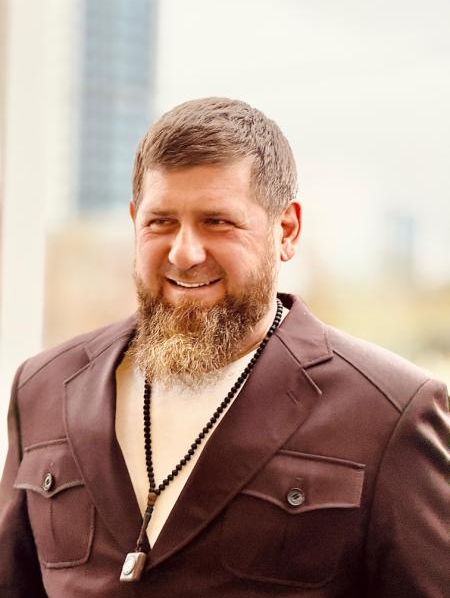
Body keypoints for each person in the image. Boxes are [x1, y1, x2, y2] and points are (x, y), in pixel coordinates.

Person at [0, 97, 448, 598]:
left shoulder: (393, 412)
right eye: (160, 221)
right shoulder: (41, 387)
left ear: (286, 230)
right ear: (134, 221)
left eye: (217, 221)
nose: (184, 253)